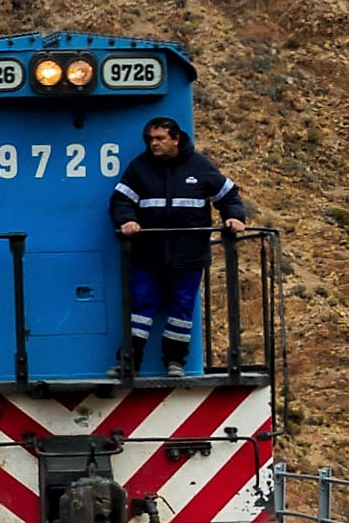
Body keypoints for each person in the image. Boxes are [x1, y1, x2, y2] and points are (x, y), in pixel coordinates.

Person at [107, 117, 264, 382]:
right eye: (150, 139)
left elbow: (228, 196)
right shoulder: (140, 168)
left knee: (181, 308)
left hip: (189, 255)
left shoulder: (200, 166)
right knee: (141, 306)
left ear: (175, 138)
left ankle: (175, 361)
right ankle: (129, 364)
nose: (153, 144)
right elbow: (121, 201)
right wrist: (126, 220)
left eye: (159, 139)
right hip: (147, 254)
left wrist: (235, 217)